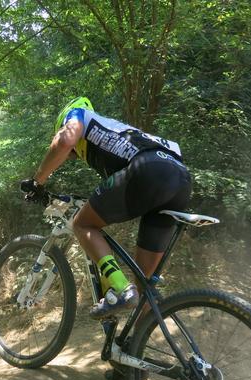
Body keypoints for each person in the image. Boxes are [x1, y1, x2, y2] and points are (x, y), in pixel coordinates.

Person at [21, 97, 191, 319]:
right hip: (181, 179)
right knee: (144, 287)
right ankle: (140, 337)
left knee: (82, 224)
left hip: (149, 169)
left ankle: (120, 288)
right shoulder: (118, 134)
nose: (73, 155)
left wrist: (37, 181)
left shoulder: (79, 114)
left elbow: (65, 140)